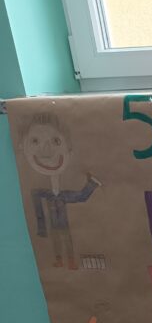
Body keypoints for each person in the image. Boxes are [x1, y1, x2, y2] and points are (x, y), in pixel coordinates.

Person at [21, 113, 101, 270]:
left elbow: (81, 197)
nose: (46, 151)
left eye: (56, 141)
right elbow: (38, 207)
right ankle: (61, 259)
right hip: (54, 209)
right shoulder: (39, 192)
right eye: (35, 141)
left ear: (69, 150)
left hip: (60, 203)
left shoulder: (47, 193)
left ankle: (69, 260)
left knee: (66, 235)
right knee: (57, 240)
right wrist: (42, 227)